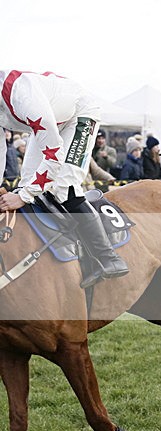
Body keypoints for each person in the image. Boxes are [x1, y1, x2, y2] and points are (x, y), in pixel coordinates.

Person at [0, 69, 128, 288]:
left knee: (62, 186)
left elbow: (54, 154)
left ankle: (108, 258)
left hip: (80, 113)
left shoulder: (23, 96)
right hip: (52, 119)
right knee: (28, 180)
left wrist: (23, 196)